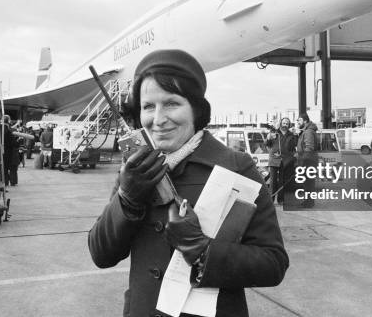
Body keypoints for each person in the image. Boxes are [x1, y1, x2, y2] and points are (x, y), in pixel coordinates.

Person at [88, 50, 288, 317]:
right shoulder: (135, 169)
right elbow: (101, 254)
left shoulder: (236, 166)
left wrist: (202, 250)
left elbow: (273, 264)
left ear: (196, 108)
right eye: (148, 106)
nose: (157, 119)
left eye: (171, 103)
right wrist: (127, 199)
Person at [265, 117, 297, 205]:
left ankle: (281, 200)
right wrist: (268, 138)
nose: (285, 125)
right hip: (274, 159)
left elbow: (294, 146)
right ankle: (271, 200)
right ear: (281, 123)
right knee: (273, 181)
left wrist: (295, 135)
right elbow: (267, 144)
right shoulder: (274, 133)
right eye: (284, 123)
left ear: (289, 125)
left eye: (287, 123)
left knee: (283, 180)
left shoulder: (291, 135)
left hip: (285, 160)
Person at [296, 113, 318, 208]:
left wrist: (304, 161)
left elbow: (309, 148)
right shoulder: (306, 131)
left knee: (308, 183)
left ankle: (308, 203)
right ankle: (308, 201)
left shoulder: (308, 132)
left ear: (305, 121)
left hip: (308, 161)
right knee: (308, 182)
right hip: (308, 160)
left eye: (299, 120)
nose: (297, 122)